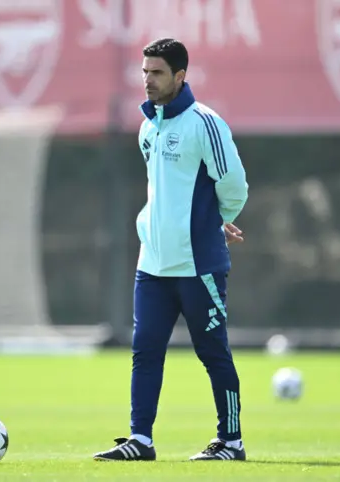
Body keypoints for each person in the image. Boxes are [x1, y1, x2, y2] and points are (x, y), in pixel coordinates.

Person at [93, 38, 249, 462]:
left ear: (180, 76)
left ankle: (231, 442)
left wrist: (215, 221)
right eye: (144, 72)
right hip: (153, 264)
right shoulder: (149, 127)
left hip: (198, 265)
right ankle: (140, 440)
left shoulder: (205, 123)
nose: (147, 80)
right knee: (145, 352)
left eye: (157, 73)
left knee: (213, 352)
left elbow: (234, 186)